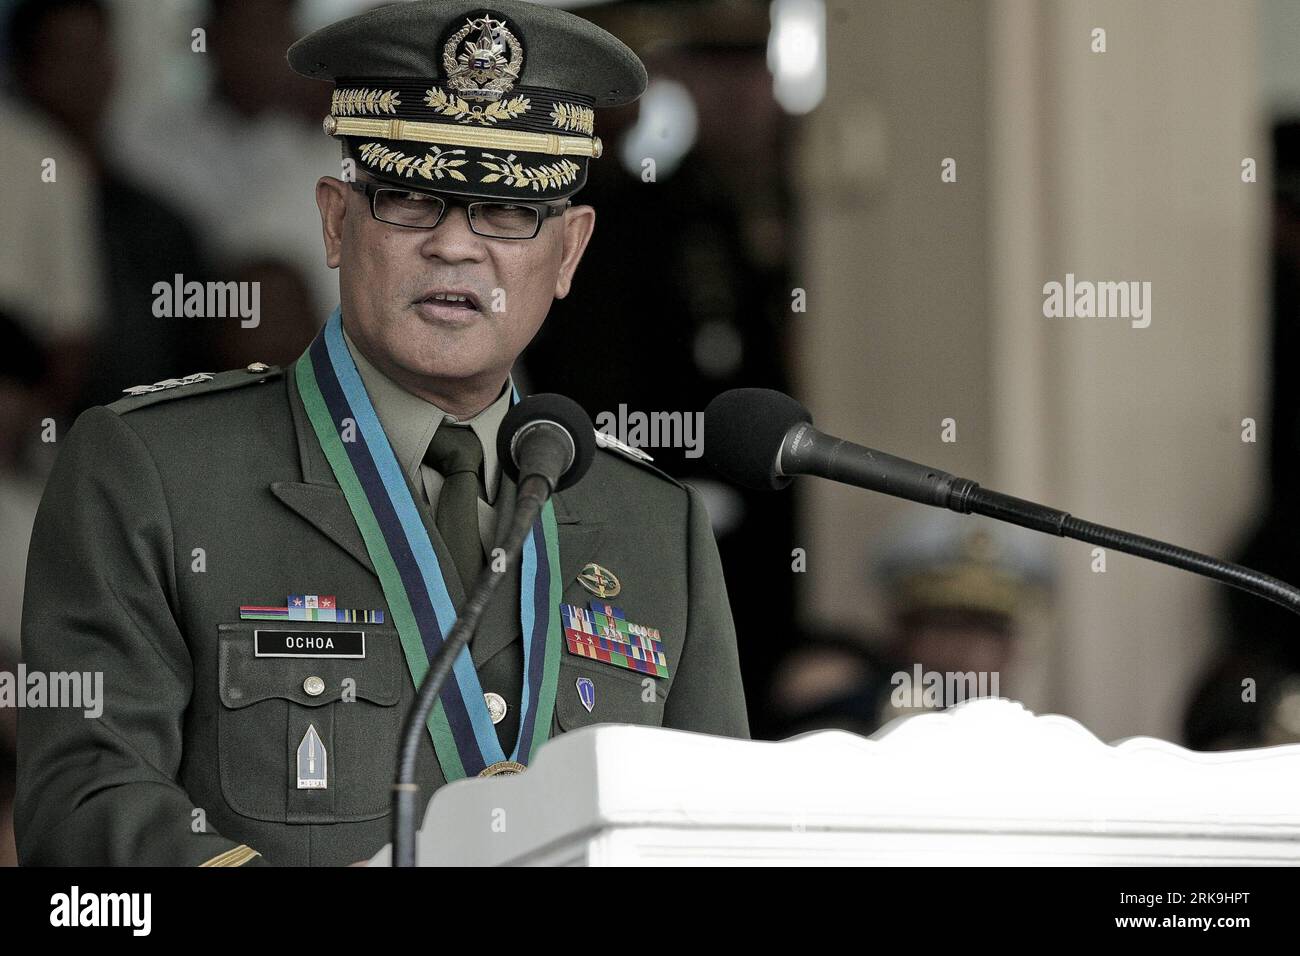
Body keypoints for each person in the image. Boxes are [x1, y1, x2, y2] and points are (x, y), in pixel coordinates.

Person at [17, 0, 748, 867]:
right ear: (335, 221)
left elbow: (716, 836)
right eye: (410, 198)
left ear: (570, 253)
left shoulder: (654, 527)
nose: (455, 248)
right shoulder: (152, 472)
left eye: (506, 212)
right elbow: (81, 816)